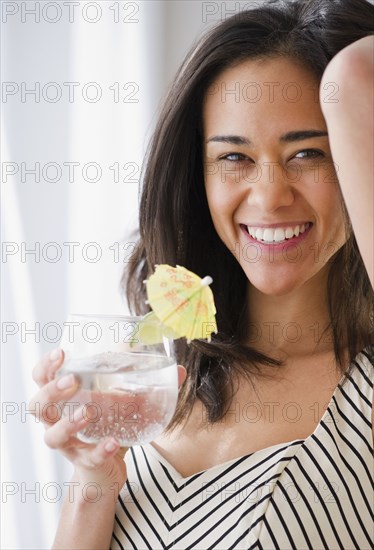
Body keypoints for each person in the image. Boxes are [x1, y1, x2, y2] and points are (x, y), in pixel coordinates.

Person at [30, 0, 374, 548]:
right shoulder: (148, 372)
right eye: (234, 158)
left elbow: (360, 74)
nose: (269, 196)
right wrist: (95, 479)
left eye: (308, 153)